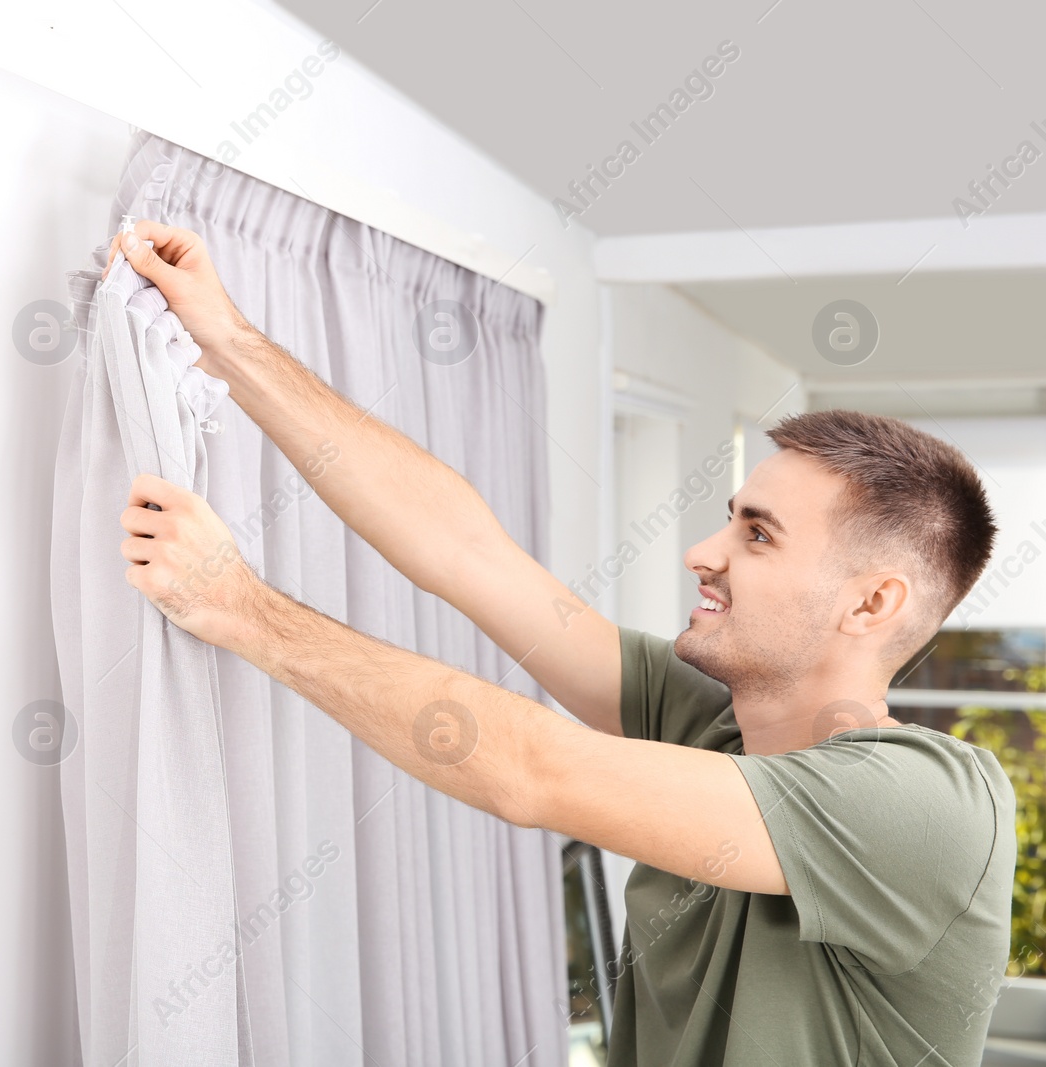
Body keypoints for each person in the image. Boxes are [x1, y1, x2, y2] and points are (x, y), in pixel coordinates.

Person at [103, 219, 1016, 1066]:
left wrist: (243, 608)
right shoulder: (710, 721)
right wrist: (225, 338)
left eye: (759, 534)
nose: (704, 551)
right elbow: (469, 553)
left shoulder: (928, 802)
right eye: (727, 520)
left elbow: (530, 769)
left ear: (871, 603)